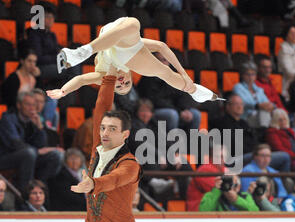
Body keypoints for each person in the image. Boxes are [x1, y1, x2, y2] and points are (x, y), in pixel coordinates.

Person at [69, 65, 143, 222]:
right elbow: (101, 107)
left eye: (112, 129)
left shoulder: (130, 164)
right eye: (102, 128)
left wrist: (93, 184)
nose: (105, 132)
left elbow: (114, 180)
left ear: (125, 135)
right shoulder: (96, 150)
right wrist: (109, 78)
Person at [50, 17, 221, 103]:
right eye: (127, 84)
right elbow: (161, 46)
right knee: (134, 25)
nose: (122, 83)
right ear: (131, 77)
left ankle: (81, 52)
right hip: (122, 40)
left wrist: (63, 91)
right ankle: (195, 91)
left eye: (119, 86)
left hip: (110, 35)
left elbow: (80, 79)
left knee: (133, 26)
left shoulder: (103, 75)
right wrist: (185, 75)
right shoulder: (136, 55)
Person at [0, 91, 63, 192]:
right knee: (29, 153)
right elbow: (14, 144)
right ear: (19, 105)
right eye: (28, 104)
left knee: (56, 156)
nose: (31, 108)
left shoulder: (33, 120)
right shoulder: (8, 118)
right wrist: (37, 151)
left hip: (29, 156)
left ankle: (39, 188)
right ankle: (26, 193)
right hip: (6, 157)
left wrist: (39, 128)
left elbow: (41, 145)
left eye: (33, 105)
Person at [210, 93, 291, 171]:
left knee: (281, 156)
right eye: (236, 104)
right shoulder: (221, 122)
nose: (239, 107)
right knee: (284, 157)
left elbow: (254, 140)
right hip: (235, 158)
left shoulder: (244, 123)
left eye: (241, 104)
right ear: (228, 106)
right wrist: (255, 152)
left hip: (251, 154)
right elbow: (233, 145)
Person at [136, 52, 201, 132]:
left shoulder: (173, 75)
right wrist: (179, 111)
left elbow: (183, 95)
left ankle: (192, 143)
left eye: (164, 60)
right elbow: (155, 100)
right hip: (154, 110)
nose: (162, 63)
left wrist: (185, 109)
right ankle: (171, 143)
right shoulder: (147, 76)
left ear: (169, 62)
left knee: (196, 114)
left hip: (175, 109)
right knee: (172, 115)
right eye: (159, 60)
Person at [26, 6, 80, 86]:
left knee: (75, 64)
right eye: (47, 17)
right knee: (70, 71)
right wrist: (57, 57)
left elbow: (56, 49)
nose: (51, 20)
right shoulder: (34, 34)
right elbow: (38, 58)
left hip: (53, 64)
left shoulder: (51, 35)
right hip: (40, 66)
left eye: (52, 17)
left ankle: (60, 92)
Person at [232, 62, 275, 128]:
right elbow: (243, 103)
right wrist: (258, 106)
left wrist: (272, 106)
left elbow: (267, 103)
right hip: (246, 117)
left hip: (261, 116)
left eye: (253, 74)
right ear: (242, 75)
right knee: (264, 112)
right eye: (247, 74)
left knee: (279, 112)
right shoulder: (238, 87)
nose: (250, 77)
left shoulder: (259, 89)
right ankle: (264, 132)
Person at [186, 144, 227, 211]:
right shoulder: (204, 170)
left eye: (224, 157)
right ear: (211, 157)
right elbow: (221, 187)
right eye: (218, 156)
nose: (222, 159)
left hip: (213, 211)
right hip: (197, 212)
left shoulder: (222, 169)